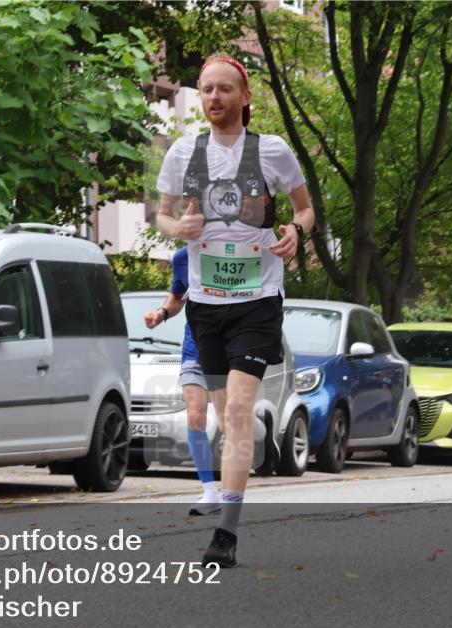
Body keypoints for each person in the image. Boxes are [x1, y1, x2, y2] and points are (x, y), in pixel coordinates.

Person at [155, 53, 314, 567]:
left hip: (257, 303)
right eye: (207, 90)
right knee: (227, 419)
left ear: (245, 97)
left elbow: (305, 207)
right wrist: (176, 228)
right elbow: (162, 216)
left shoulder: (271, 150)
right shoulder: (184, 152)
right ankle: (246, 455)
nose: (214, 98)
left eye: (225, 89)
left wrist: (297, 231)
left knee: (239, 411)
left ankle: (225, 533)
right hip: (206, 308)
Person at [144, 246, 220, 516]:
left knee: (234, 416)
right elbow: (177, 297)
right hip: (195, 347)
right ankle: (210, 491)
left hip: (230, 348)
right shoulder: (181, 258)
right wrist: (161, 313)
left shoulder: (234, 249)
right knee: (195, 414)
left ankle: (236, 488)